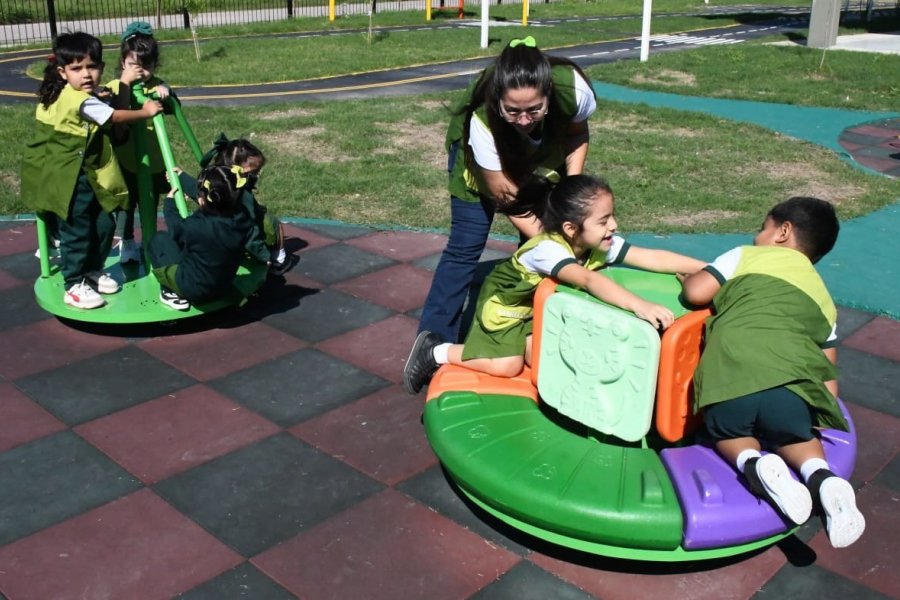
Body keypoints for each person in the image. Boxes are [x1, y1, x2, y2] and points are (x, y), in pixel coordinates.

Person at [404, 174, 706, 394]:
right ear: (571, 228)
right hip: (508, 308)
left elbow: (652, 257)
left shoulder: (598, 242)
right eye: (603, 221)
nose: (613, 226)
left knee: (545, 363)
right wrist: (640, 305)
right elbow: (588, 279)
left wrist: (708, 270)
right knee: (506, 366)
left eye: (611, 216)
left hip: (539, 310)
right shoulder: (548, 250)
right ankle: (435, 350)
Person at [679, 197, 865, 549]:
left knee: (728, 432)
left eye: (762, 228)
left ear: (782, 232)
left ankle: (753, 464)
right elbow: (828, 373)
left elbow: (696, 293)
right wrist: (818, 415)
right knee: (795, 436)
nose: (756, 236)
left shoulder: (746, 256)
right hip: (791, 389)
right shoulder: (823, 297)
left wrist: (689, 279)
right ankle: (821, 476)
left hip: (731, 377)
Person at [417, 36, 598, 344]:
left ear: (549, 93)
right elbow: (508, 199)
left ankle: (534, 324)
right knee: (466, 244)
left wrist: (569, 191)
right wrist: (554, 244)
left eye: (534, 109)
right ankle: (432, 341)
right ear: (498, 100)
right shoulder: (482, 121)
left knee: (544, 239)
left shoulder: (574, 90)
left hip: (542, 153)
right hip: (481, 163)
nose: (524, 120)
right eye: (513, 111)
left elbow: (577, 133)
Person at [20, 32, 163, 310]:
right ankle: (73, 284)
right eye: (76, 69)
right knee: (77, 231)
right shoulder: (79, 101)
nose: (86, 74)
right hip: (71, 178)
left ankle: (92, 270)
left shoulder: (84, 95)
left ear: (101, 67)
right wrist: (145, 112)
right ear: (62, 72)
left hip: (89, 173)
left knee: (104, 223)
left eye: (92, 67)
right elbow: (116, 117)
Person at [148, 165, 266, 310]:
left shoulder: (197, 227)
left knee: (159, 240)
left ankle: (169, 291)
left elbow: (175, 228)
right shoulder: (243, 218)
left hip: (193, 290)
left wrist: (169, 204)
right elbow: (218, 194)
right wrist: (182, 177)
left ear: (203, 199)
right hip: (223, 287)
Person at [107, 21, 173, 265]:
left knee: (150, 201)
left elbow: (172, 103)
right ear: (123, 62)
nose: (141, 71)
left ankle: (149, 241)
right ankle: (126, 242)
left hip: (152, 159)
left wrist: (165, 90)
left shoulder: (155, 85)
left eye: (147, 66)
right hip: (126, 158)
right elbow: (117, 110)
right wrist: (125, 83)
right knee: (126, 204)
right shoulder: (116, 86)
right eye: (134, 65)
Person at [190, 134, 291, 275]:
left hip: (214, 235)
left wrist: (181, 176)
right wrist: (264, 256)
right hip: (236, 238)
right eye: (252, 173)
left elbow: (194, 187)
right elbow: (249, 230)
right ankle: (278, 261)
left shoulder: (213, 178)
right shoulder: (242, 195)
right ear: (237, 171)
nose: (256, 176)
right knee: (272, 222)